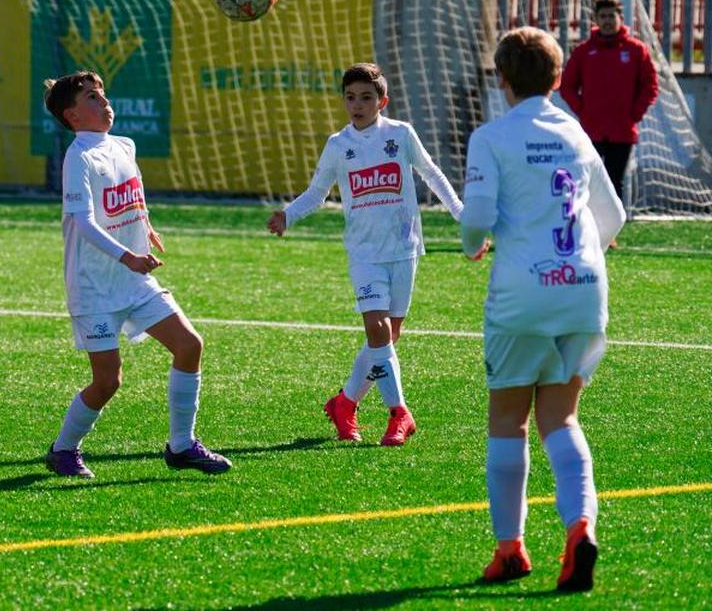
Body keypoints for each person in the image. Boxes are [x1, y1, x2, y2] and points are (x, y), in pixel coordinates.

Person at [462, 27, 624, 592]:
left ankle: (510, 550)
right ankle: (580, 527)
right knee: (562, 418)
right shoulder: (576, 134)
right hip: (583, 288)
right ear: (559, 78)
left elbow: (476, 216)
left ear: (501, 80)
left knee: (509, 420)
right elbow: (614, 220)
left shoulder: (492, 136)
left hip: (522, 294)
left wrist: (472, 241)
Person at [42, 70, 231, 479]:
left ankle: (182, 445)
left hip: (134, 280)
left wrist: (144, 226)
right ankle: (63, 450)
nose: (103, 102)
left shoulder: (123, 146)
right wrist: (127, 254)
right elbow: (84, 221)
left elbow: (130, 197)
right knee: (108, 381)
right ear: (72, 116)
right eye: (92, 98)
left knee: (189, 345)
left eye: (102, 93)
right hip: (93, 286)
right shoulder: (79, 156)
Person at [267, 63, 462, 446]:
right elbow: (317, 192)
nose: (357, 105)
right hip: (364, 253)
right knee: (377, 330)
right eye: (350, 97)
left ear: (382, 101)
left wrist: (461, 214)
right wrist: (288, 214)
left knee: (388, 339)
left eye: (366, 97)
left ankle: (345, 402)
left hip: (404, 248)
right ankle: (399, 413)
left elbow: (432, 173)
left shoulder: (401, 135)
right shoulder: (338, 145)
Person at [559, 0, 658, 239]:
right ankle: (583, 227)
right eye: (602, 16)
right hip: (590, 130)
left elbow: (650, 86)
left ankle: (610, 234)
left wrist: (634, 114)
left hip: (622, 130)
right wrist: (583, 111)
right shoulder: (584, 51)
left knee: (614, 183)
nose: (607, 21)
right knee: (586, 180)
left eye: (611, 16)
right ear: (596, 20)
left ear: (620, 19)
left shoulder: (636, 50)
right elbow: (567, 86)